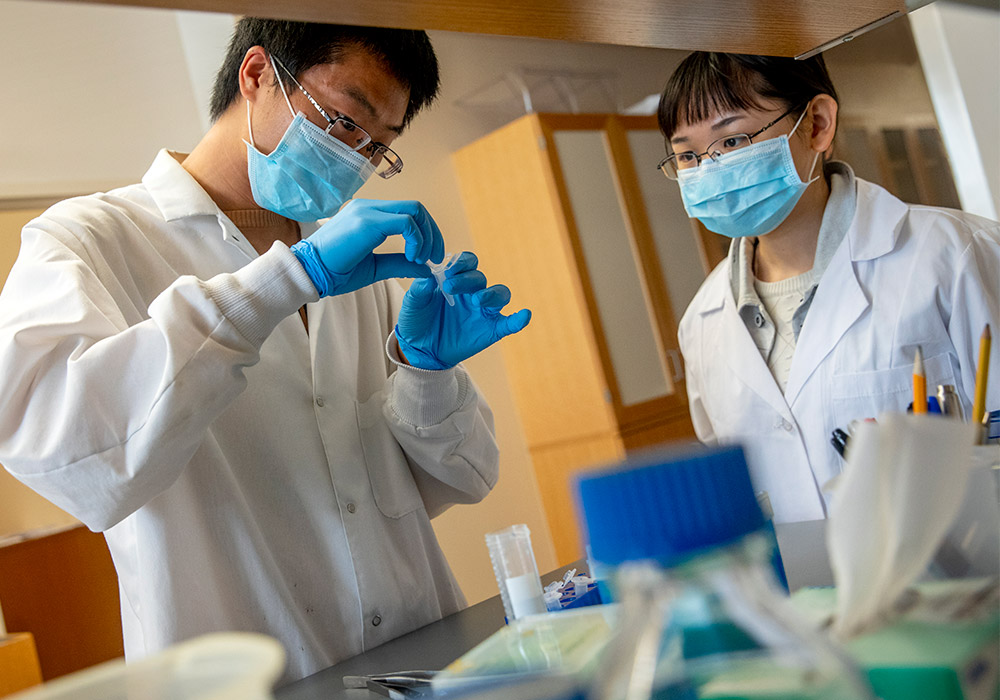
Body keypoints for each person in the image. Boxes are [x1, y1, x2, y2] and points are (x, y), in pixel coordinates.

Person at [0, 19, 530, 682]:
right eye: (343, 122)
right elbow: (63, 452)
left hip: (419, 658)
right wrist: (285, 281)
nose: (355, 160)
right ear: (256, 75)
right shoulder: (89, 240)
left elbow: (463, 479)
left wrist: (427, 375)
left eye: (377, 147)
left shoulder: (356, 262)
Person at [657, 52, 999, 524]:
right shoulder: (701, 321)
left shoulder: (955, 253)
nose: (710, 170)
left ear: (817, 124)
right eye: (688, 156)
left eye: (732, 140)